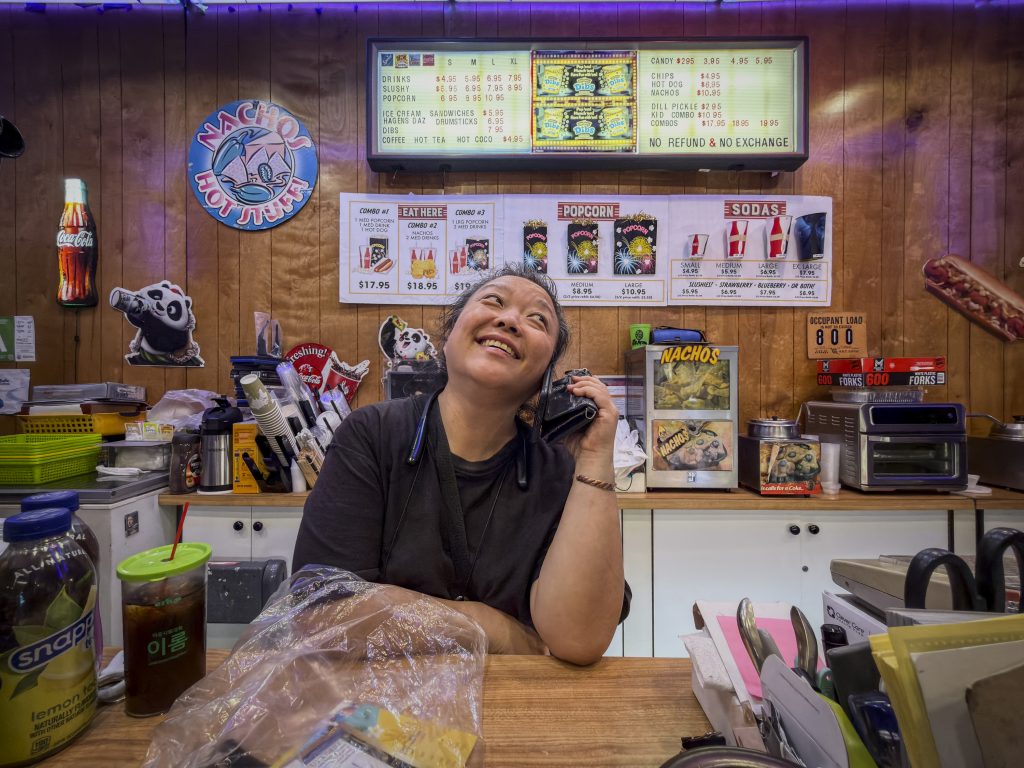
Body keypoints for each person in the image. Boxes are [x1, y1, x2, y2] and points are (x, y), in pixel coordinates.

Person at [293, 264, 627, 665]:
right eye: (493, 301)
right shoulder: (374, 433)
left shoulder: (558, 469)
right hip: (374, 711)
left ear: (546, 376)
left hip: (526, 709)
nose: (509, 319)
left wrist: (594, 460)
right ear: (449, 336)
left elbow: (579, 640)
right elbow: (324, 617)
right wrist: (494, 628)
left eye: (538, 319)